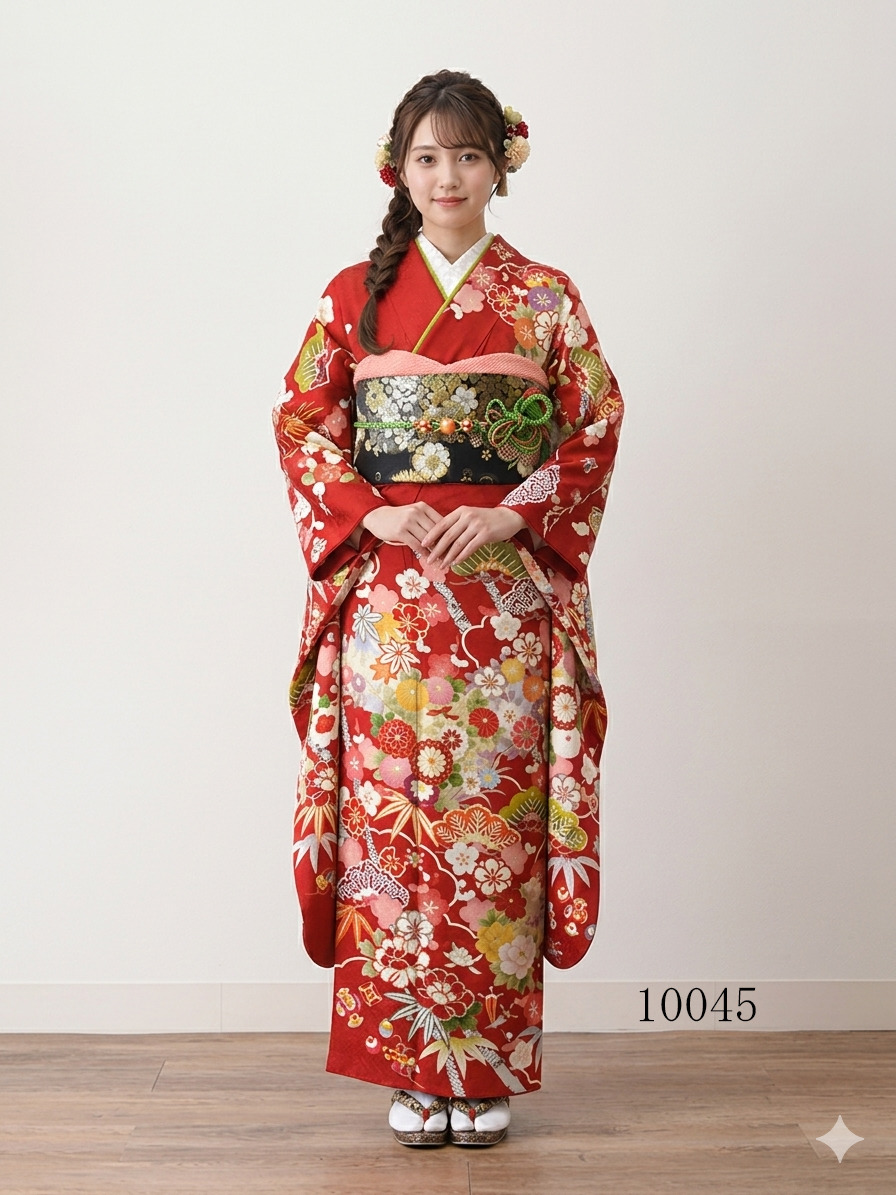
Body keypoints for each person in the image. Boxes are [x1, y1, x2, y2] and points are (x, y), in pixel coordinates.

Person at [273, 70, 623, 1147]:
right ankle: (408, 1067)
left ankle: (484, 1068)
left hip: (501, 607)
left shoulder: (544, 296)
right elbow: (302, 424)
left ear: (499, 166)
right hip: (387, 605)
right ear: (398, 170)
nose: (447, 176)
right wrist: (371, 512)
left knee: (494, 823)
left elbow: (594, 422)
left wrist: (516, 512)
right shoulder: (354, 294)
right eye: (427, 157)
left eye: (467, 154)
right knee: (389, 817)